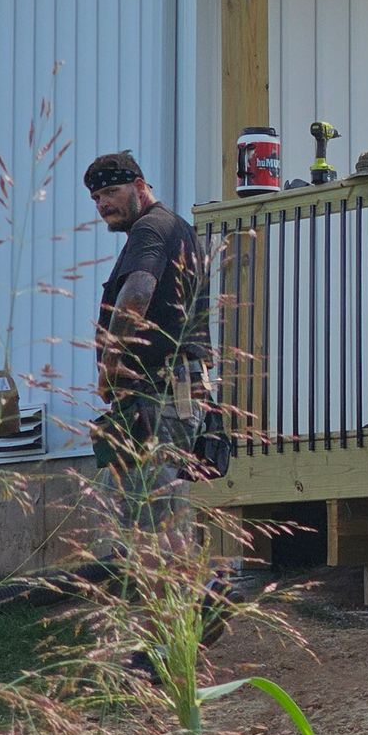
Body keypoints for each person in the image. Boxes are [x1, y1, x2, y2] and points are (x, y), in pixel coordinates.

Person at [85, 150, 208, 538]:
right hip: (164, 395)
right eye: (96, 198)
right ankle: (177, 594)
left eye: (112, 191)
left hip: (162, 395)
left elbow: (137, 291)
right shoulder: (172, 228)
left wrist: (109, 365)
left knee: (149, 524)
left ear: (140, 186)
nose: (103, 203)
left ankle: (173, 595)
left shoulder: (151, 229)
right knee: (156, 517)